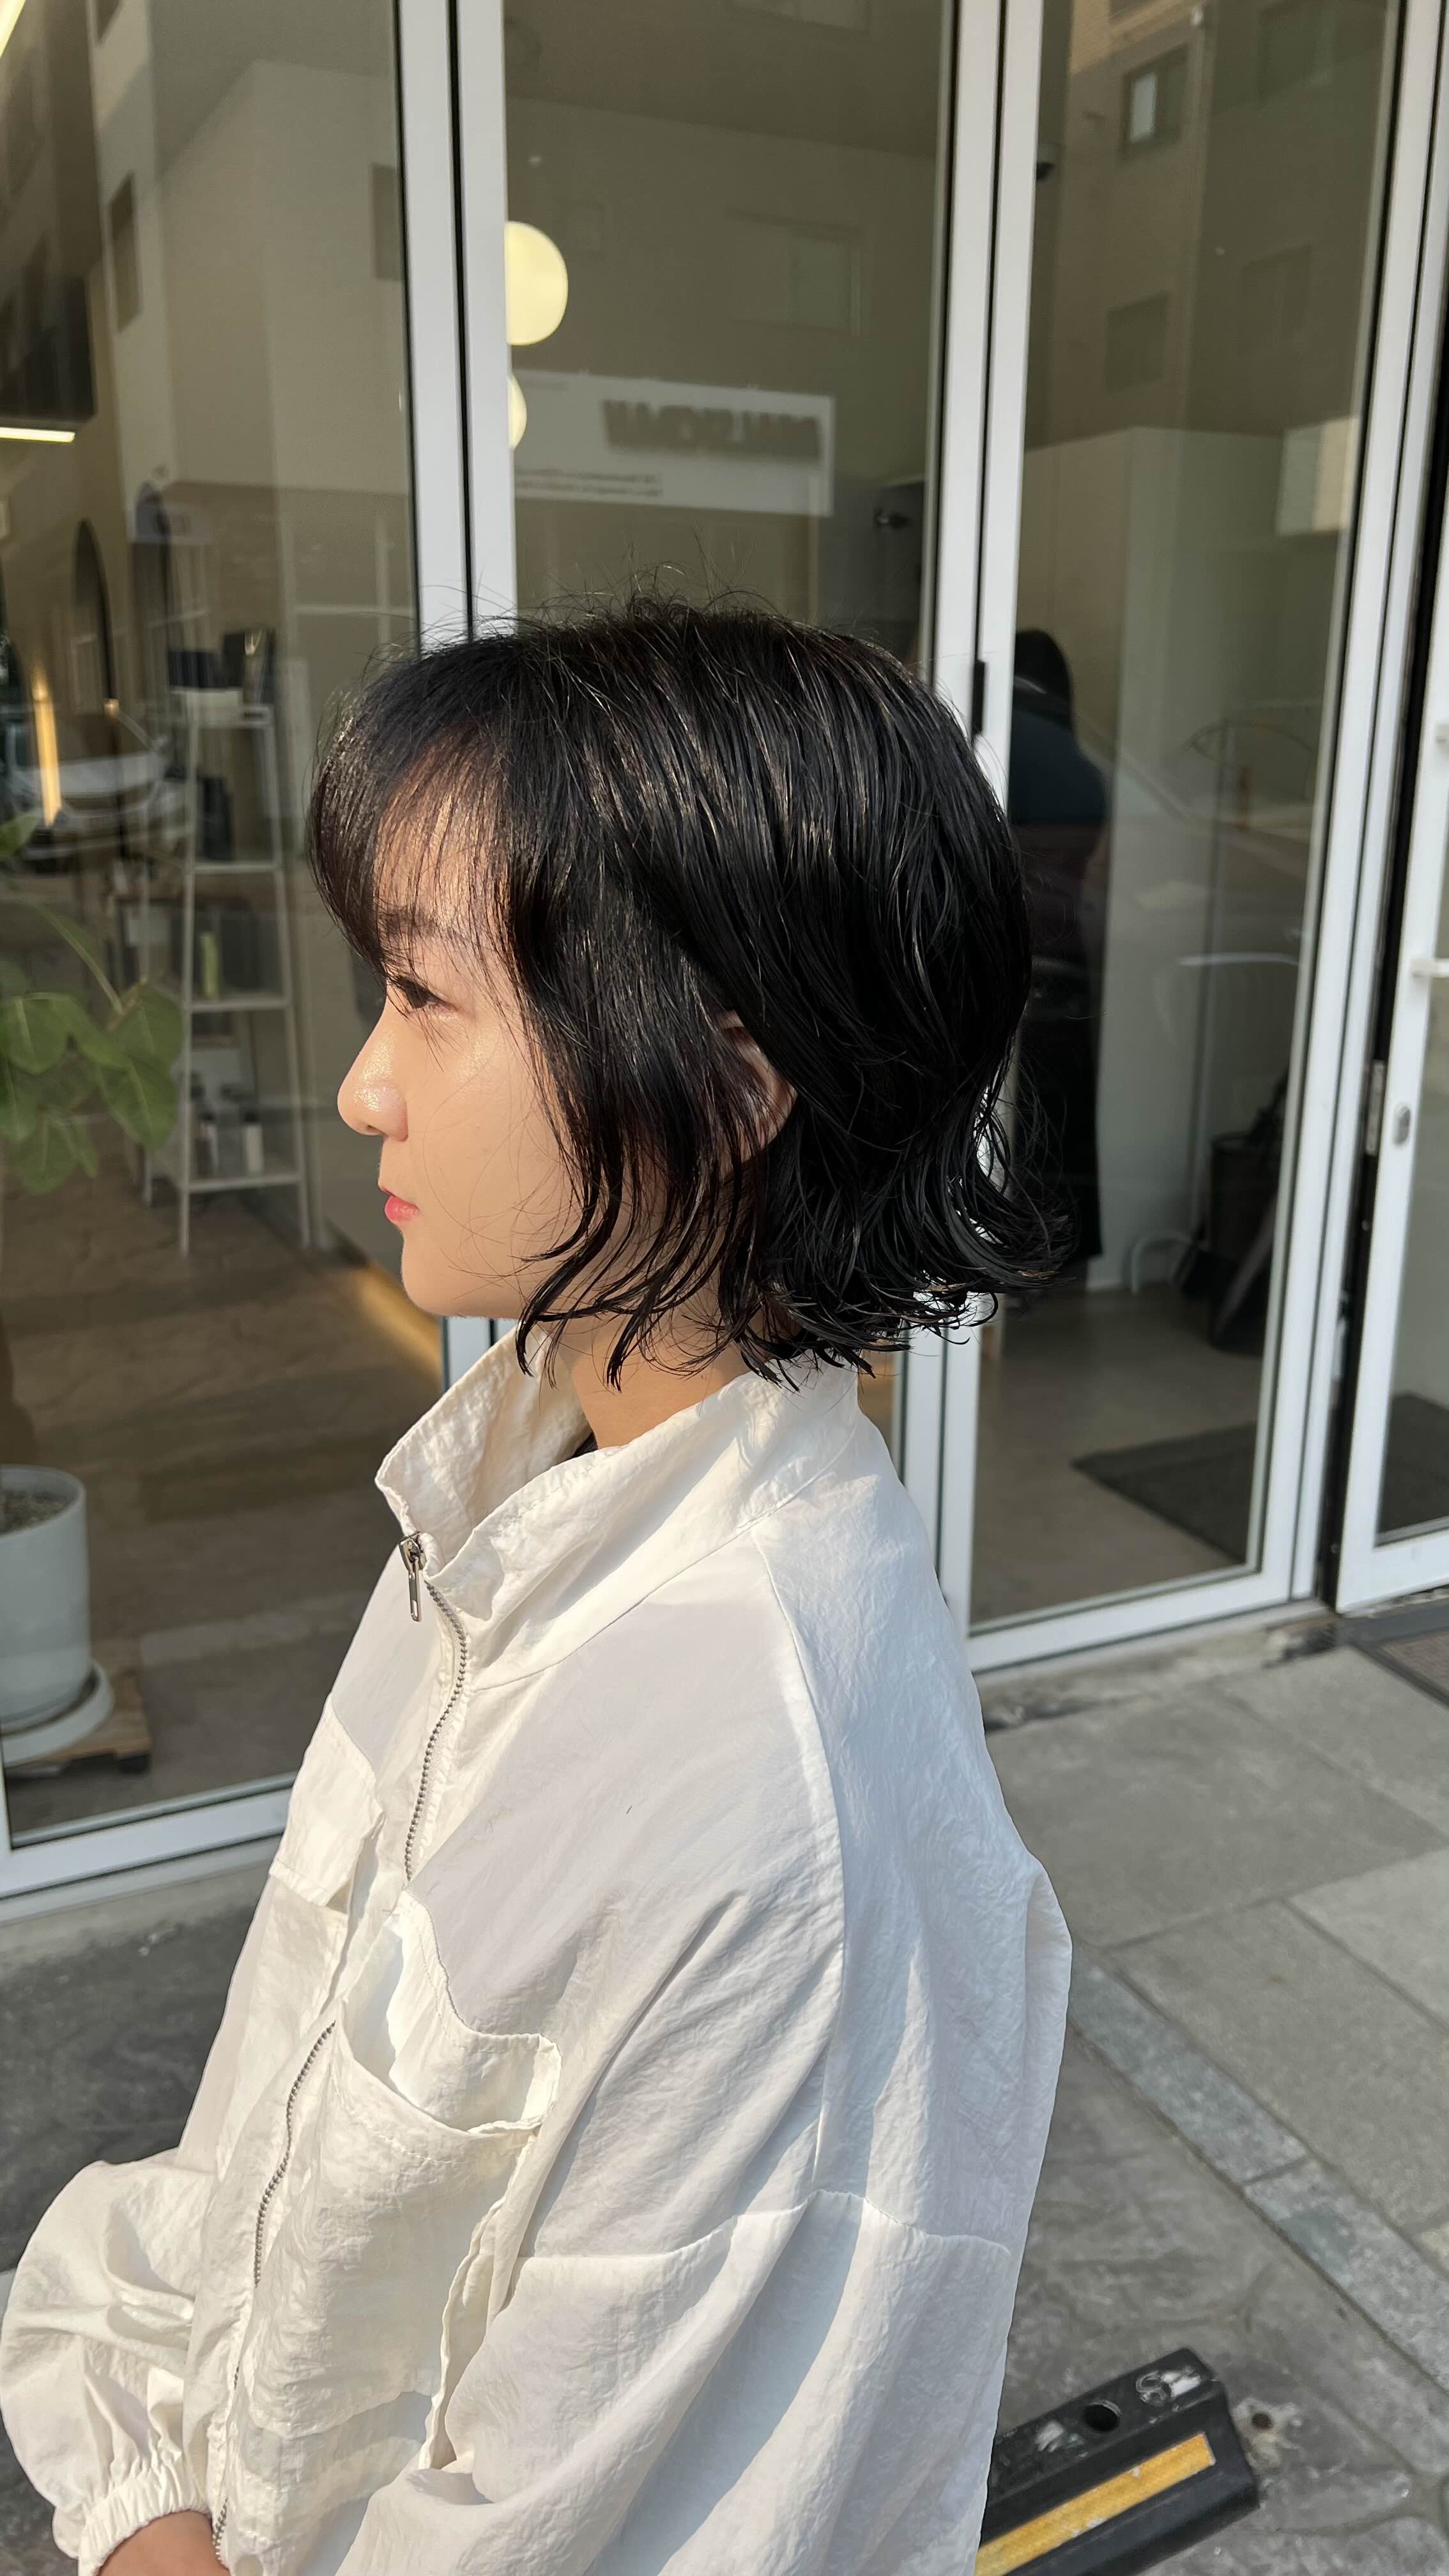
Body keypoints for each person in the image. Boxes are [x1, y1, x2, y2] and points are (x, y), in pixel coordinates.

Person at [0, 599, 1070, 2576]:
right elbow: (276, 2147)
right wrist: (147, 2466)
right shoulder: (512, 1490)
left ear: (732, 1085)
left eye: (425, 998)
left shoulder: (754, 1795)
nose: (363, 1090)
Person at [1008, 629, 1108, 1268]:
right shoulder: (1085, 774)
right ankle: (1053, 1257)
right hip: (1065, 954)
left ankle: (1005, 1259)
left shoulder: (1003, 755)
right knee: (1056, 1118)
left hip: (1015, 954)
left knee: (1006, 1121)